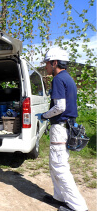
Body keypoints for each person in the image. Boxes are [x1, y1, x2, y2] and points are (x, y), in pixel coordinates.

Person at [41, 47, 88, 211]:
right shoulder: (68, 78)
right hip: (66, 126)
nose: (46, 67)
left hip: (60, 127)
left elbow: (59, 107)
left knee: (60, 167)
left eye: (47, 63)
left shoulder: (58, 79)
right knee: (55, 164)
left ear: (54, 63)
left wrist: (44, 116)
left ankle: (78, 207)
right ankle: (59, 198)